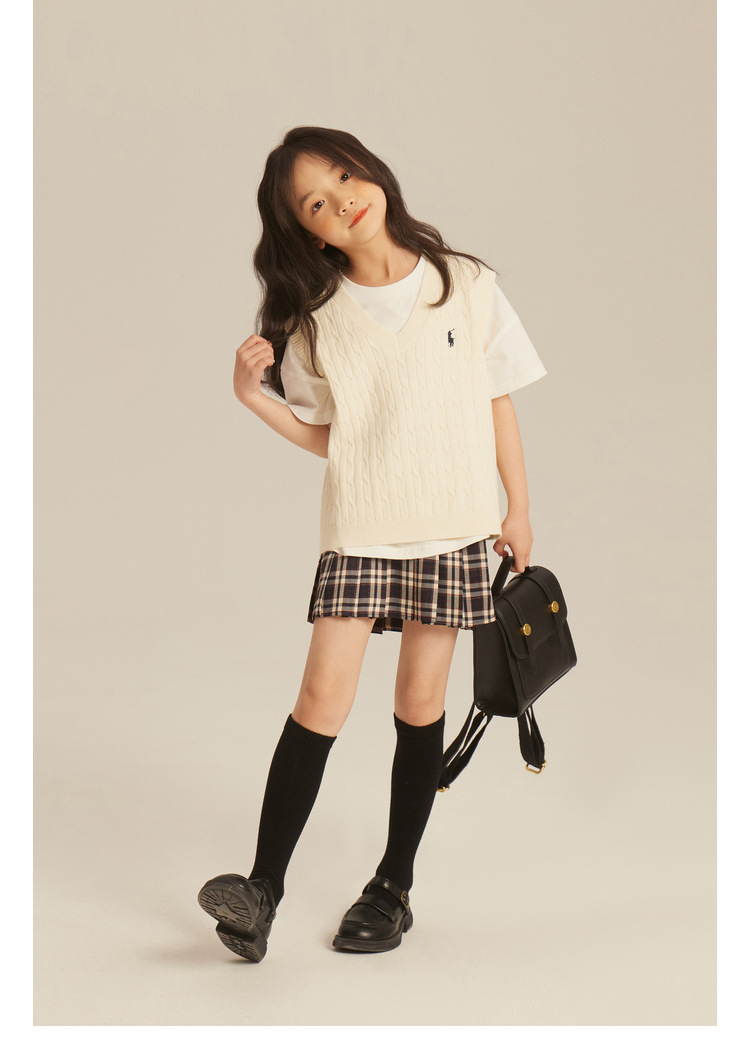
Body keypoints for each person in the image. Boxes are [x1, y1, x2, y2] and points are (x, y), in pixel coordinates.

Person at [197, 126, 547, 962]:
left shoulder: (464, 283)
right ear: (307, 232)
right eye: (316, 202)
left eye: (345, 176)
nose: (342, 200)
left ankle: (393, 886)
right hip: (362, 525)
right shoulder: (318, 318)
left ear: (374, 173)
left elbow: (497, 399)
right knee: (320, 698)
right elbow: (336, 439)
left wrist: (519, 509)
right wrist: (255, 398)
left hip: (456, 524)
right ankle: (261, 892)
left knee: (419, 703)